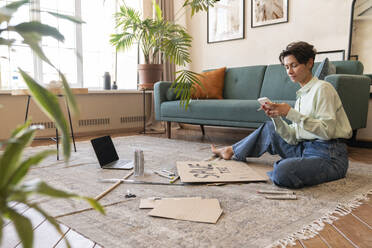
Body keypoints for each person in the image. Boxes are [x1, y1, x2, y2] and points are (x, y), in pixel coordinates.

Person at [211, 41, 352, 189]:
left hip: (329, 155)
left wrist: (290, 113)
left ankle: (290, 167)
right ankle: (231, 150)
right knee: (270, 127)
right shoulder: (302, 96)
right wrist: (276, 117)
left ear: (309, 63)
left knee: (282, 172)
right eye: (286, 67)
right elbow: (292, 138)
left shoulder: (323, 88)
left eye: (294, 65)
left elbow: (327, 132)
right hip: (304, 148)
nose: (289, 71)